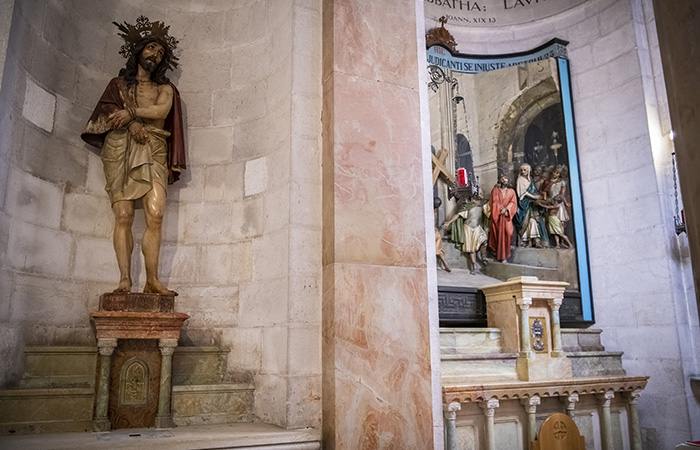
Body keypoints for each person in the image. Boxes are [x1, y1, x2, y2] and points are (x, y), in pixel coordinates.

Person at [81, 16, 186, 295]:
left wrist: (132, 112)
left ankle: (152, 280)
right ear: (139, 51)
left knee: (156, 212)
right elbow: (106, 116)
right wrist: (131, 122)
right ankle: (125, 280)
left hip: (154, 148)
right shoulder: (117, 86)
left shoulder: (166, 89)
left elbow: (162, 112)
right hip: (120, 149)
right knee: (124, 216)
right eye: (151, 48)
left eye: (161, 52)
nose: (155, 55)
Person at [442, 190, 489, 274]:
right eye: (480, 193)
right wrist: (449, 222)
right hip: (468, 228)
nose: (482, 195)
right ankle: (474, 266)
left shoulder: (482, 205)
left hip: (477, 228)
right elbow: (458, 215)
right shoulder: (468, 206)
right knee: (472, 249)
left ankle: (484, 257)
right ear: (475, 195)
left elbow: (489, 211)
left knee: (484, 242)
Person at [513, 163, 546, 248]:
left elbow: (534, 190)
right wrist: (534, 197)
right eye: (522, 170)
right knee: (528, 222)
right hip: (524, 205)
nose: (523, 172)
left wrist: (538, 195)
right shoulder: (520, 179)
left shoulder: (530, 179)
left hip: (531, 205)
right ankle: (527, 240)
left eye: (525, 170)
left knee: (535, 221)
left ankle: (536, 241)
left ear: (528, 170)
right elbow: (522, 193)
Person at [488, 174, 517, 262]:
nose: (504, 180)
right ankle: (497, 255)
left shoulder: (511, 191)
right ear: (499, 180)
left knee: (508, 233)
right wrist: (501, 209)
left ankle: (505, 255)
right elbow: (494, 202)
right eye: (502, 178)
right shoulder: (496, 190)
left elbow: (513, 202)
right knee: (497, 235)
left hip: (507, 216)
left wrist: (507, 209)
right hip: (498, 216)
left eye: (506, 178)